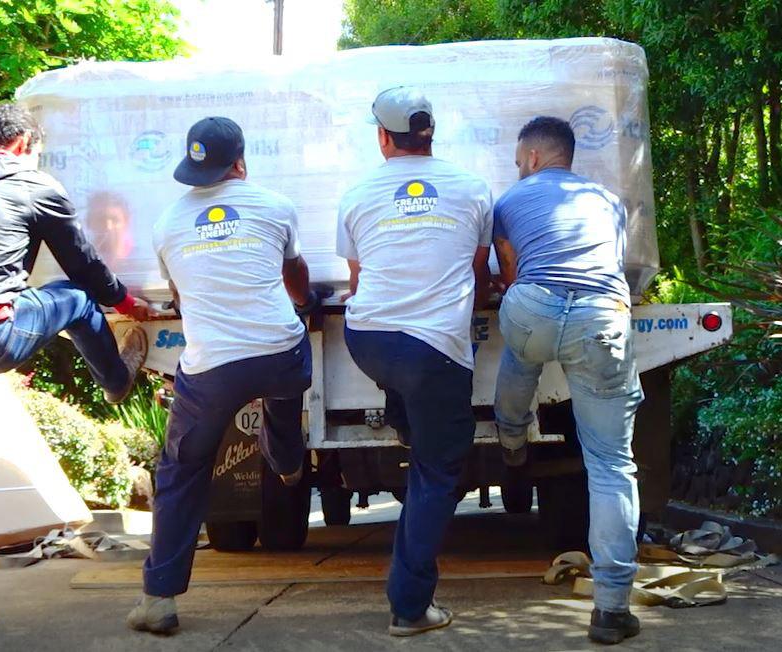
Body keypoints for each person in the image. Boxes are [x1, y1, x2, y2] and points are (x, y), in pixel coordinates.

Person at [0, 103, 152, 642]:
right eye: (36, 152)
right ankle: (116, 379)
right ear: (23, 145)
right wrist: (126, 301)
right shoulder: (33, 183)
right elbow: (81, 263)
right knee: (79, 298)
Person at [127, 116, 319, 634]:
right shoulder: (275, 206)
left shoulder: (167, 223)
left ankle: (159, 601)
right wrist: (304, 301)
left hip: (211, 367)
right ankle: (287, 466)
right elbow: (295, 276)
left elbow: (185, 296)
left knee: (181, 470)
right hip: (282, 352)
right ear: (240, 161)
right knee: (283, 402)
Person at [337, 87, 493, 637]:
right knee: (436, 470)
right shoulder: (474, 190)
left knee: (405, 380)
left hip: (369, 341)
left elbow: (358, 282)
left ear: (383, 136)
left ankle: (402, 419)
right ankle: (409, 606)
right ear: (431, 133)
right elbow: (477, 275)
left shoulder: (356, 195)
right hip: (433, 352)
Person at [491, 116, 643, 645]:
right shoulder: (608, 201)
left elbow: (508, 271)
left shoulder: (509, 202)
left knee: (521, 349)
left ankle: (511, 439)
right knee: (611, 465)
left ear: (532, 159)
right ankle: (612, 608)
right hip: (601, 320)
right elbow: (616, 264)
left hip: (532, 310)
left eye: (517, 162)